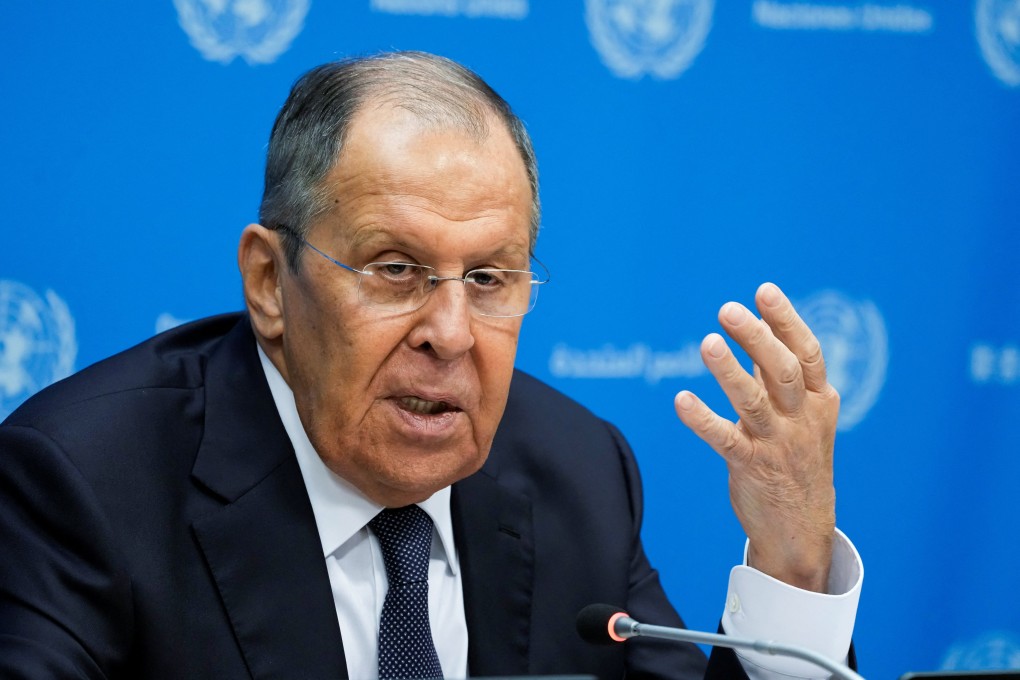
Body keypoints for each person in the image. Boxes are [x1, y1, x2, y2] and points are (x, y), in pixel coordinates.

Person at [0, 51, 861, 679]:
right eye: (395, 270)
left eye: (488, 279)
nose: (450, 334)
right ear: (269, 282)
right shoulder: (87, 484)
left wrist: (791, 566)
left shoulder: (576, 471)